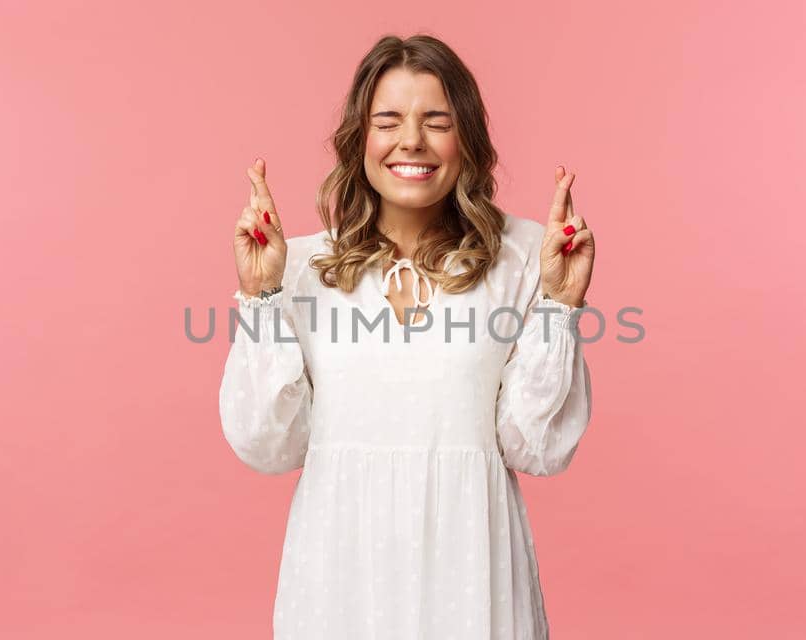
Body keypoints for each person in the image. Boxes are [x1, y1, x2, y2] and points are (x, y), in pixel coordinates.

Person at [219, 33, 597, 639]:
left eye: (436, 121)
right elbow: (269, 445)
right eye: (388, 121)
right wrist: (262, 296)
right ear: (359, 139)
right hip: (340, 576)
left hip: (473, 574)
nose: (411, 142)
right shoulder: (298, 265)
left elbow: (537, 448)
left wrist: (558, 303)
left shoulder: (526, 257)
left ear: (465, 138)